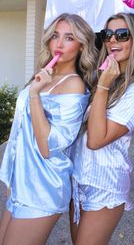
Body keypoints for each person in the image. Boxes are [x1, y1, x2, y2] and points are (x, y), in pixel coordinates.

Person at [0, 13, 97, 245]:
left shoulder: (74, 84)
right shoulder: (46, 75)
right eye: (55, 35)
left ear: (82, 46)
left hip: (42, 185)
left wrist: (34, 94)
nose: (59, 43)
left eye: (69, 38)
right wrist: (12, 178)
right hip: (23, 180)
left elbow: (47, 146)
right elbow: (20, 133)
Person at [70, 12, 134, 245]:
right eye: (107, 34)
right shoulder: (102, 78)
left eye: (122, 35)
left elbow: (96, 140)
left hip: (104, 185)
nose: (113, 40)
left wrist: (103, 87)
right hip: (79, 179)